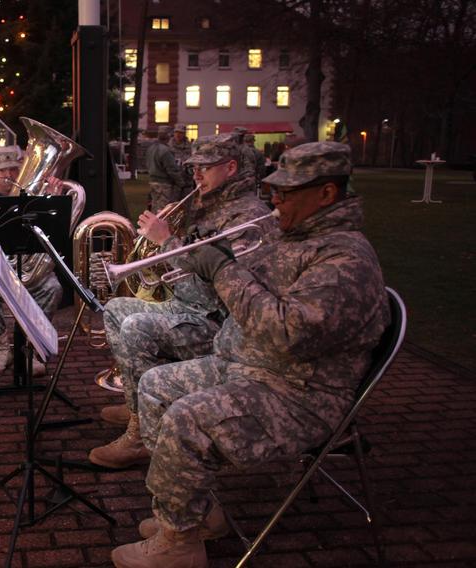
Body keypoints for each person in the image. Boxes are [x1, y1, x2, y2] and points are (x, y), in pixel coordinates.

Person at [111, 142, 389, 567]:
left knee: (186, 420)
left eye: (285, 193)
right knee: (153, 385)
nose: (273, 200)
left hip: (298, 393)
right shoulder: (292, 236)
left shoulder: (343, 258)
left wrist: (224, 270)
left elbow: (286, 333)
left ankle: (179, 545)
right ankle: (196, 514)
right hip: (251, 366)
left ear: (327, 194)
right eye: (273, 190)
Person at [90, 134, 277, 469]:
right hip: (189, 305)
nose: (196, 176)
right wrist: (164, 246)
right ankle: (139, 407)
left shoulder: (246, 216)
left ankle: (142, 437)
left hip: (217, 322)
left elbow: (226, 286)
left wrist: (166, 241)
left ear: (230, 167)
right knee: (117, 309)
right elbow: (191, 265)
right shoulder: (212, 206)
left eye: (205, 168)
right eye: (193, 169)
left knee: (135, 327)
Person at [0, 145, 62, 377]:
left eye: (13, 169)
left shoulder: (34, 196)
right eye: (3, 170)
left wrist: (53, 200)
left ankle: (31, 347)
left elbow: (53, 234)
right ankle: (2, 348)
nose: (9, 175)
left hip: (29, 267)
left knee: (53, 287)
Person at [145, 128, 190, 212]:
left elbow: (147, 164)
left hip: (153, 182)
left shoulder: (151, 148)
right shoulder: (166, 151)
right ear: (169, 136)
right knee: (163, 210)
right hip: (164, 184)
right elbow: (172, 170)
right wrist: (181, 183)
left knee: (155, 207)